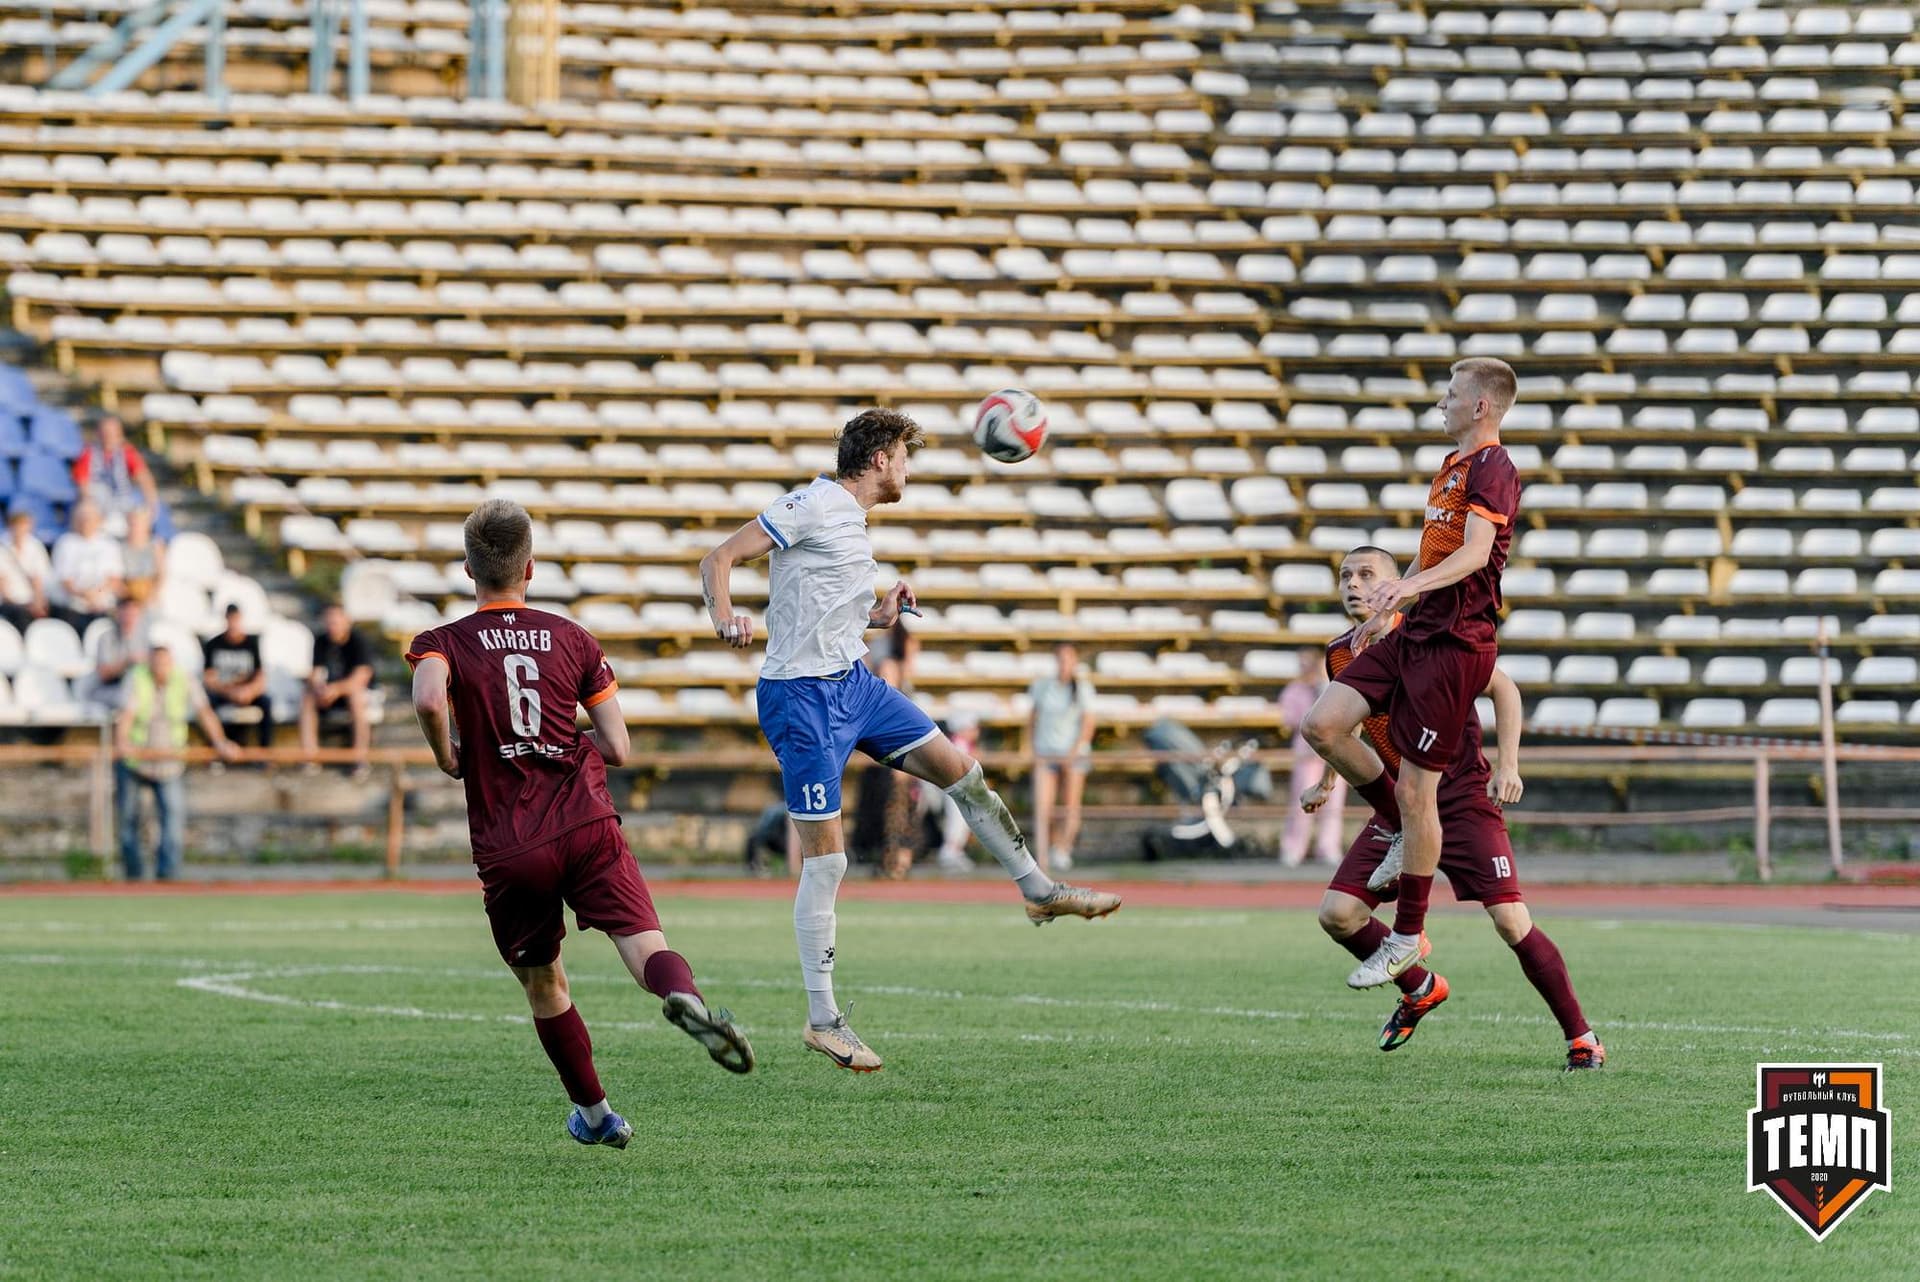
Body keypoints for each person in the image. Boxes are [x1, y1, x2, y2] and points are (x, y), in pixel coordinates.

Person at [700, 407, 1121, 1072]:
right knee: (827, 864)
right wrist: (725, 616)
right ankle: (823, 1020)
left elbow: (823, 611)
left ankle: (1038, 890)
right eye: (904, 457)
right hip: (802, 698)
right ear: (880, 460)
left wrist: (880, 613)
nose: (907, 470)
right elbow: (718, 557)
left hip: (854, 684)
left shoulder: (851, 521)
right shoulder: (813, 504)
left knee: (964, 773)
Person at [407, 499, 753, 1148]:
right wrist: (561, 738)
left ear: (468, 569)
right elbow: (618, 747)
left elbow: (428, 695)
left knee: (544, 982)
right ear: (530, 569)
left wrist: (449, 753)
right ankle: (688, 1000)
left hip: (512, 842)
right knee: (646, 947)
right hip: (586, 819)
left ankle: (596, 1116)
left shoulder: (443, 641)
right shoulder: (572, 638)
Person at [1307, 545, 1603, 1071]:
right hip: (1401, 801)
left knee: (1511, 921)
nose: (1353, 584)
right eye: (1345, 576)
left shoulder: (1430, 638)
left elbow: (1504, 689)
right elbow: (1346, 724)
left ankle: (1582, 1038)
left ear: (1397, 584)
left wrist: (1508, 765)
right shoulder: (1340, 653)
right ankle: (1421, 987)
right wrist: (1328, 779)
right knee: (1338, 915)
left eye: (1367, 575)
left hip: (1460, 797)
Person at [1302, 357, 1523, 989]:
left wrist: (1405, 589)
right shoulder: (1451, 467)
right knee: (1322, 725)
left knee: (1505, 912)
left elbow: (1476, 555)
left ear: (1480, 406)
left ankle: (1407, 936)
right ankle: (1400, 836)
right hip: (1418, 632)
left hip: (1452, 643)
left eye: (1451, 395)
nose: (1441, 403)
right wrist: (1389, 609)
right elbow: (1437, 556)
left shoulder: (1494, 467)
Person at [113, 639, 240, 880]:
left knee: (172, 820)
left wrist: (220, 742)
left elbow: (204, 712)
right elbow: (126, 716)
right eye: (157, 664)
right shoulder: (137, 678)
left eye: (165, 663)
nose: (161, 668)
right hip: (135, 762)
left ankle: (168, 877)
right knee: (128, 821)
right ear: (150, 663)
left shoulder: (184, 679)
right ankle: (134, 877)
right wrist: (122, 743)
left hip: (170, 763)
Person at [1027, 641, 1096, 872]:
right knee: (1044, 807)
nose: (1064, 664)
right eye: (1061, 659)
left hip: (1073, 755)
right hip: (1046, 754)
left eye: (1068, 659)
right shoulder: (1043, 686)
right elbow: (1032, 718)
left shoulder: (1083, 688)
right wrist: (1033, 748)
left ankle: (1063, 849)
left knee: (1070, 805)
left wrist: (1073, 752)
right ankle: (1048, 850)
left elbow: (1088, 723)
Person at [1277, 645, 1345, 868]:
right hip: (1307, 749)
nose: (1304, 666)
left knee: (1334, 801)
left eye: (1308, 661)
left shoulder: (1332, 686)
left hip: (1334, 748)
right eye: (1301, 662)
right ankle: (1293, 848)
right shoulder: (1294, 690)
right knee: (1301, 798)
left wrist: (1323, 686)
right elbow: (1289, 719)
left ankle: (1329, 847)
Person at [300, 603, 374, 772]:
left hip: (352, 692)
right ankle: (310, 756)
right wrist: (319, 688)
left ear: (346, 621)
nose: (331, 626)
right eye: (328, 622)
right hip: (329, 693)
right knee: (308, 697)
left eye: (335, 622)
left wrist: (336, 689)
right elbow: (316, 672)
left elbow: (362, 676)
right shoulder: (321, 641)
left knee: (356, 697)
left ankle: (359, 758)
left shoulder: (358, 641)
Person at [204, 604, 273, 749]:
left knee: (266, 702)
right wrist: (230, 692)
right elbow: (209, 680)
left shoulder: (252, 643)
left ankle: (265, 751)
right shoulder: (213, 644)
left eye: (236, 619)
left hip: (247, 693)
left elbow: (260, 676)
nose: (234, 624)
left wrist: (249, 691)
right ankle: (213, 748)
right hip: (223, 693)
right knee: (207, 704)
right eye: (231, 619)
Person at [73, 414, 159, 526]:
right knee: (86, 512)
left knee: (143, 514)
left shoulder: (127, 452)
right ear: (99, 433)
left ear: (119, 433)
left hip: (123, 501)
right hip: (97, 501)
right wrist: (89, 503)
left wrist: (151, 502)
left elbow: (144, 477)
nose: (109, 436)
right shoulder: (88, 453)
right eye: (106, 432)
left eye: (113, 432)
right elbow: (83, 484)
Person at [48, 499, 123, 628]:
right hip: (73, 607)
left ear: (98, 520)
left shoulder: (110, 544)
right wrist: (84, 595)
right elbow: (65, 580)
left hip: (102, 606)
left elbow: (115, 579)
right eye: (82, 518)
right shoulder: (65, 543)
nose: (86, 522)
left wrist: (96, 595)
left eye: (89, 518)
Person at [78, 596, 148, 712]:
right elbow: (103, 674)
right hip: (106, 690)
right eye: (126, 614)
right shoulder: (106, 638)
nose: (129, 619)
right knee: (129, 696)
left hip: (133, 690)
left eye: (133, 615)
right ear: (118, 614)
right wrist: (127, 662)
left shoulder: (143, 638)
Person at [0, 504, 51, 631]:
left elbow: (38, 578)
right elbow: (2, 583)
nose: (20, 529)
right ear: (11, 526)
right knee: (21, 616)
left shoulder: (35, 546)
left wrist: (37, 601)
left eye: (24, 525)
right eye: (17, 525)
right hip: (9, 602)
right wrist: (15, 602)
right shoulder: (2, 546)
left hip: (29, 600)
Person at [119, 505, 164, 605]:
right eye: (133, 522)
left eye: (140, 522)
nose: (136, 526)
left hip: (149, 593)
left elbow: (161, 574)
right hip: (127, 596)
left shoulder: (156, 545)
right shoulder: (120, 545)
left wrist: (152, 594)